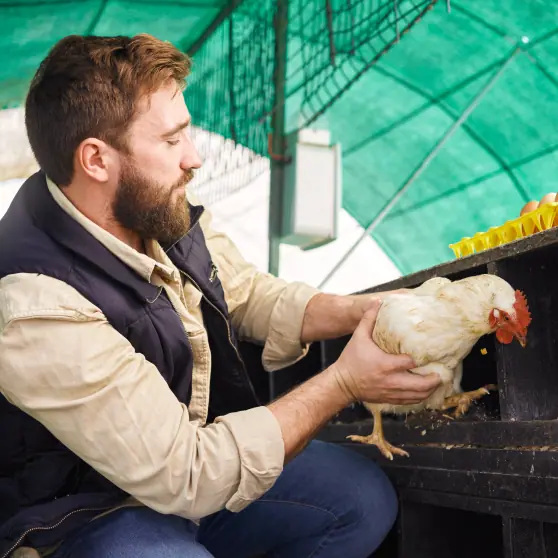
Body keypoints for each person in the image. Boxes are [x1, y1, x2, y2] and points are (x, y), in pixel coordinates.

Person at [0, 34, 441, 558]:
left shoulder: (152, 209)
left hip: (184, 479)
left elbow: (246, 292)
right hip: (84, 517)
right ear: (96, 159)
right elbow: (186, 474)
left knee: (360, 499)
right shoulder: (34, 305)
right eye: (171, 140)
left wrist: (357, 311)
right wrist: (343, 382)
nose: (194, 158)